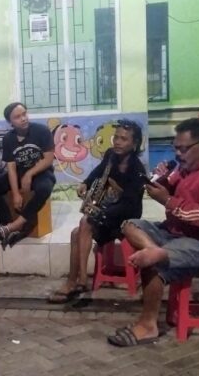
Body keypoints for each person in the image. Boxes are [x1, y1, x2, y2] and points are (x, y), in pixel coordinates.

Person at [107, 118, 199, 347]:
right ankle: (154, 250)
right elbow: (169, 186)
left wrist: (167, 201)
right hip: (178, 232)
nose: (178, 154)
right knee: (129, 225)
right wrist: (160, 180)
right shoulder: (186, 166)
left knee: (154, 264)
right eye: (175, 148)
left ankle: (148, 326)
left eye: (183, 149)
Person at [48, 119, 147, 303]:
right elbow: (98, 171)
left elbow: (130, 205)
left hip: (124, 220)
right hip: (107, 214)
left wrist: (100, 213)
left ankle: (80, 280)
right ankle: (74, 281)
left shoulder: (137, 170)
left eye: (124, 139)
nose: (117, 142)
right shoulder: (111, 155)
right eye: (116, 137)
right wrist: (85, 183)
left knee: (85, 222)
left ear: (134, 144)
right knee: (76, 233)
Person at [0, 102, 56, 248]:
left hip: (41, 172)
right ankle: (8, 224)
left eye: (24, 114)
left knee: (44, 189)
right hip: (19, 174)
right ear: (10, 122)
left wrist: (29, 174)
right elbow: (11, 167)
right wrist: (15, 193)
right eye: (17, 117)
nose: (23, 118)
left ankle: (17, 224)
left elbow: (48, 159)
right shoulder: (8, 139)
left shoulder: (42, 131)